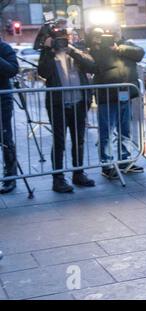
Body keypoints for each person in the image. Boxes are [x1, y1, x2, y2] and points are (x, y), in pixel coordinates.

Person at [38, 23, 96, 193]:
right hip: (58, 105)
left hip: (79, 103)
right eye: (60, 37)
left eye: (65, 36)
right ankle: (58, 179)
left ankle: (78, 173)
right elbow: (43, 72)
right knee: (59, 142)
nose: (62, 40)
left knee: (79, 140)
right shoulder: (48, 53)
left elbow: (92, 65)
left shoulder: (76, 50)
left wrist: (72, 50)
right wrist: (48, 49)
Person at [89, 28, 145, 179]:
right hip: (107, 97)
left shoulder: (126, 46)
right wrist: (97, 44)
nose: (113, 34)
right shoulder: (96, 49)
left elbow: (140, 53)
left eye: (116, 30)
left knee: (125, 131)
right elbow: (91, 64)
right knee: (106, 132)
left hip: (125, 94)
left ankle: (125, 160)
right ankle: (106, 165)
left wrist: (119, 48)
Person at [0, 37, 19, 194]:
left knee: (4, 137)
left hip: (2, 100)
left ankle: (10, 175)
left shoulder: (4, 48)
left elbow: (13, 70)